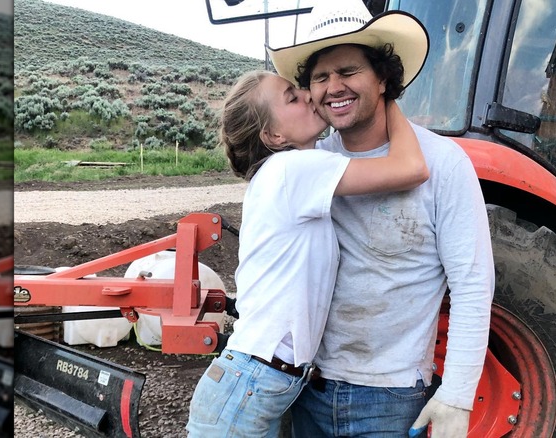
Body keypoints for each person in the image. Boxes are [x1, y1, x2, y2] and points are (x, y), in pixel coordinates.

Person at [266, 0, 495, 436]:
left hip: (390, 396)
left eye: (348, 71)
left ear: (383, 77)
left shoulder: (444, 164)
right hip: (304, 385)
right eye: (320, 77)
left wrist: (457, 397)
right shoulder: (310, 166)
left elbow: (472, 282)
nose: (334, 87)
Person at [186, 68, 429, 437]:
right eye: (290, 97)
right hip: (248, 385)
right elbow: (412, 168)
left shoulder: (284, 174)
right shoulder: (292, 169)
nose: (307, 96)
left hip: (253, 382)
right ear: (274, 135)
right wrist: (383, 95)